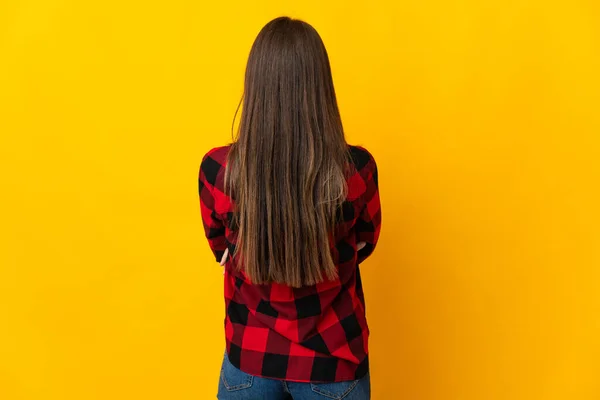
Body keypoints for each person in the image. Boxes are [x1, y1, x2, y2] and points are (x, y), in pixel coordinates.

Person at [199, 16, 381, 400]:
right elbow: (365, 243)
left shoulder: (219, 172)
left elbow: (221, 250)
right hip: (333, 361)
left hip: (250, 359)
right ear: (321, 88)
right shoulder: (357, 170)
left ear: (256, 87)